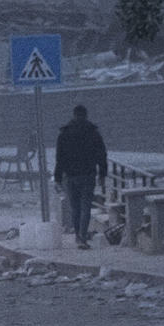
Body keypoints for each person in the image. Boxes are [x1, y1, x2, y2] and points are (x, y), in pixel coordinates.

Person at [53, 104, 109, 249]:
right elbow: (102, 155)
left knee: (75, 207)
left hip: (70, 176)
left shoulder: (65, 133)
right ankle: (82, 237)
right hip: (88, 175)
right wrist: (102, 174)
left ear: (74, 115)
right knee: (86, 207)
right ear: (86, 115)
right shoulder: (93, 133)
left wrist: (57, 178)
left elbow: (60, 158)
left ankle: (78, 236)